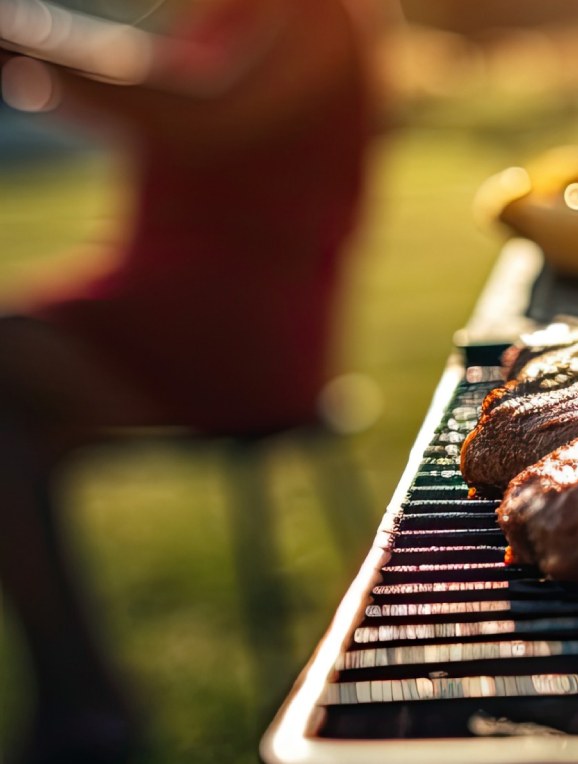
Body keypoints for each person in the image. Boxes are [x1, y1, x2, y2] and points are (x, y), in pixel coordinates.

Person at [0, 0, 379, 760]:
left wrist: (22, 37)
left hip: (238, 325)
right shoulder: (226, 18)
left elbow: (207, 113)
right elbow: (148, 76)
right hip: (156, 309)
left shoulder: (317, 16)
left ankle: (83, 705)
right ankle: (78, 702)